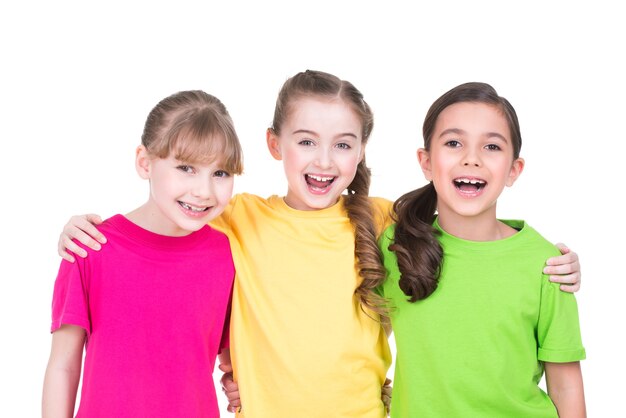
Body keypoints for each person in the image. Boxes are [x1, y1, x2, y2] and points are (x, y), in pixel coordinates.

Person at [54, 71, 582, 418]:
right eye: (306, 142)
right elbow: (174, 211)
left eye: (343, 145)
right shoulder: (237, 217)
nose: (324, 161)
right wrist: (83, 227)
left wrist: (547, 257)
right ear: (274, 145)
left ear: (360, 153)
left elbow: (470, 235)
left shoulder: (383, 221)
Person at [379, 82, 586, 417]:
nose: (471, 159)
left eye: (491, 146)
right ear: (427, 162)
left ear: (513, 170)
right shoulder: (396, 246)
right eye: (453, 143)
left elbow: (565, 384)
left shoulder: (547, 264)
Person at [42, 90, 243, 418]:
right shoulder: (90, 247)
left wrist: (237, 379)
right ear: (144, 162)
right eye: (186, 168)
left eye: (220, 173)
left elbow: (233, 355)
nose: (204, 191)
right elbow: (63, 366)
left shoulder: (228, 256)